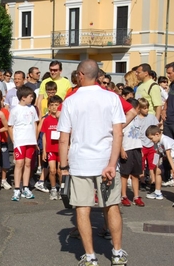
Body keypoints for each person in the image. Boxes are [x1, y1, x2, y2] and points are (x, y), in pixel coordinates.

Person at [57, 59, 127, 265]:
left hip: (80, 162)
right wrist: (112, 164)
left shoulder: (70, 100)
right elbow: (118, 134)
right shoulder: (112, 98)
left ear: (80, 74)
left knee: (82, 209)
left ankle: (90, 257)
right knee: (112, 206)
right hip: (106, 160)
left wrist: (63, 167)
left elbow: (63, 138)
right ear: (97, 75)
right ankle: (117, 253)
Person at [8, 86, 39, 201]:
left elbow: (35, 124)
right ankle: (17, 188)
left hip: (30, 141)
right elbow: (10, 127)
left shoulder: (32, 109)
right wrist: (14, 141)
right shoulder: (15, 110)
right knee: (19, 163)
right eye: (30, 97)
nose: (32, 98)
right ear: (23, 98)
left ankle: (25, 187)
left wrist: (35, 140)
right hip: (20, 141)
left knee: (28, 163)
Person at [146, 125, 174, 207]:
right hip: (170, 160)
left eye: (151, 138)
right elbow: (157, 154)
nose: (151, 141)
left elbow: (169, 155)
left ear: (157, 134)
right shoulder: (157, 142)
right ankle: (157, 193)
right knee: (158, 171)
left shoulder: (165, 140)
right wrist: (154, 165)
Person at [119, 98, 145, 207]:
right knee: (125, 174)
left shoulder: (138, 119)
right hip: (127, 148)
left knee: (135, 174)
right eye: (138, 108)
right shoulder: (124, 120)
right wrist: (121, 150)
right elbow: (119, 134)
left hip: (137, 148)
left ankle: (136, 196)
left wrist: (141, 149)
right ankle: (124, 196)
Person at [40, 95, 63, 200]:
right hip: (50, 149)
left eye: (57, 105)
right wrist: (44, 150)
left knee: (60, 171)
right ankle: (53, 189)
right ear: (48, 107)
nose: (54, 107)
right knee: (52, 170)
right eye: (52, 105)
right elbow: (44, 135)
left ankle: (62, 188)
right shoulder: (46, 120)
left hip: (61, 149)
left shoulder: (63, 119)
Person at [137, 98, 159, 191]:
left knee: (152, 163)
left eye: (147, 108)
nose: (146, 110)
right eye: (144, 108)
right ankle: (142, 180)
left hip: (152, 144)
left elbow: (157, 127)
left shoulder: (151, 117)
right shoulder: (136, 119)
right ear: (139, 108)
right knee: (141, 164)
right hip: (141, 145)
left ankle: (153, 181)